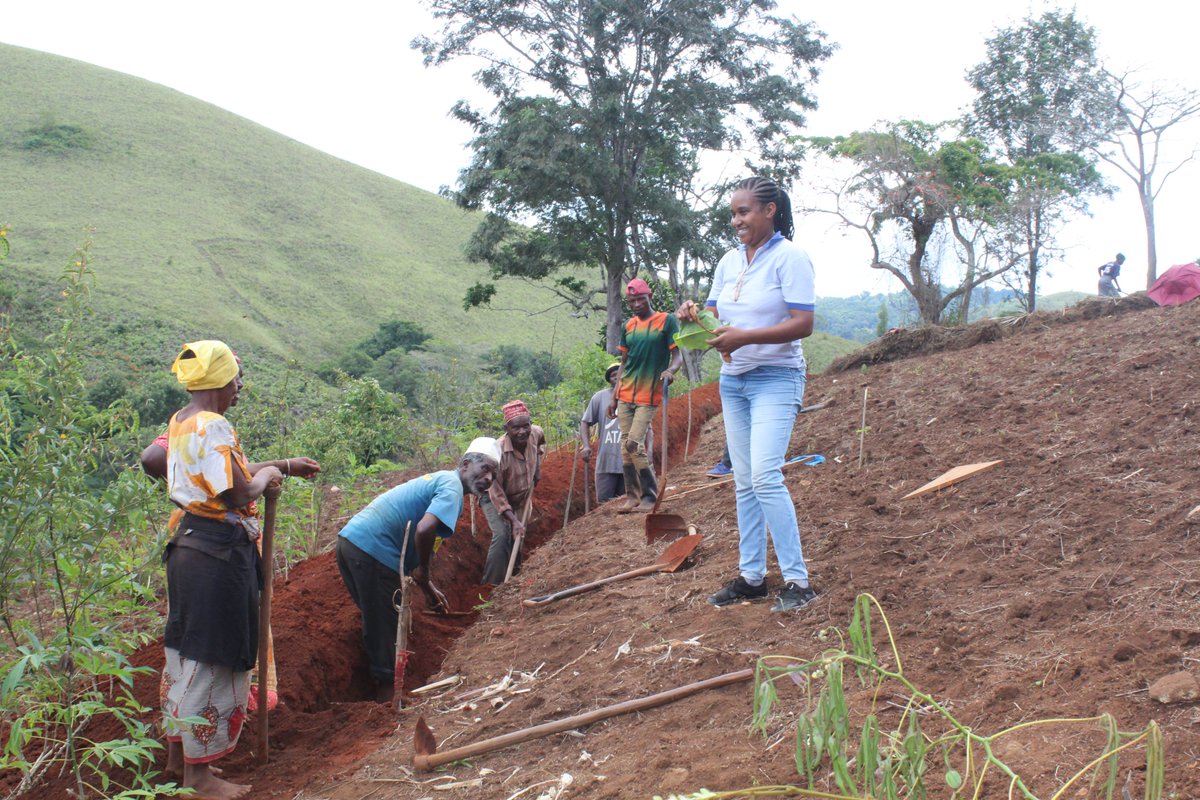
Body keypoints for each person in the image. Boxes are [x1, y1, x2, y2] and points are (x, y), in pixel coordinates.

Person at [160, 340, 319, 800]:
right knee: (216, 657)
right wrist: (266, 479)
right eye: (236, 379)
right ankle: (199, 779)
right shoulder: (215, 424)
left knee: (185, 652)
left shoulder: (182, 420)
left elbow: (219, 474)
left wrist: (280, 464)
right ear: (220, 380)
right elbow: (235, 492)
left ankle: (177, 759)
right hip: (219, 553)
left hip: (187, 545)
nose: (239, 388)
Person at [677, 176, 817, 614]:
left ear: (769, 210)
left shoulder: (790, 258)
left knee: (765, 476)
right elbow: (716, 311)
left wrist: (745, 337)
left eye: (744, 212)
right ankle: (752, 577)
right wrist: (694, 315)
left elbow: (804, 323)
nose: (736, 220)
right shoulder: (729, 261)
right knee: (743, 481)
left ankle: (798, 581)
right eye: (733, 214)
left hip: (776, 377)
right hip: (734, 381)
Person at [336, 438, 499, 702]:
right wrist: (423, 571)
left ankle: (382, 684)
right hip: (374, 551)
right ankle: (388, 695)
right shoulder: (452, 488)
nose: (489, 478)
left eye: (493, 474)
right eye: (485, 469)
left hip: (351, 544)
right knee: (386, 622)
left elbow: (424, 540)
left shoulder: (443, 480)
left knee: (378, 617)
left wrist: (427, 584)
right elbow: (424, 530)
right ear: (466, 465)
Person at [607, 278, 683, 512]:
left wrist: (670, 371)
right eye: (632, 301)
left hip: (649, 393)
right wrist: (614, 396)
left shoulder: (666, 321)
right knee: (624, 446)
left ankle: (649, 496)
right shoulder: (628, 325)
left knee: (633, 443)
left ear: (649, 297)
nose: (636, 304)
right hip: (625, 392)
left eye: (640, 299)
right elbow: (624, 362)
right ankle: (632, 496)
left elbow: (677, 355)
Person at [480, 400, 546, 584]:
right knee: (503, 534)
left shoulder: (536, 432)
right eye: (516, 428)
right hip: (493, 497)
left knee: (519, 534)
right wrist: (514, 520)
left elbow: (540, 444)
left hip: (521, 495)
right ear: (506, 429)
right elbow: (496, 493)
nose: (522, 432)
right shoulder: (496, 453)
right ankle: (491, 583)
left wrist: (537, 470)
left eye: (526, 426)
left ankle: (515, 576)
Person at [579, 362, 652, 503]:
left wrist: (649, 452)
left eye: (620, 373)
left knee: (629, 503)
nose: (617, 377)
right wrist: (586, 446)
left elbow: (648, 429)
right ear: (609, 380)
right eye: (613, 375)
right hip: (606, 463)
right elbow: (585, 422)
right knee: (604, 504)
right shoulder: (599, 398)